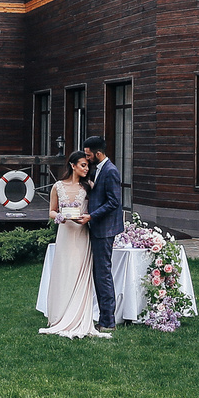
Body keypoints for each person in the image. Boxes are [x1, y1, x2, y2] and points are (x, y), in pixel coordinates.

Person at [38, 150, 108, 339]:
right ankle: (60, 315)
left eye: (88, 166)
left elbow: (97, 208)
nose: (86, 169)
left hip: (81, 234)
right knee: (63, 272)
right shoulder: (57, 186)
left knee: (79, 272)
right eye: (83, 165)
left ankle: (78, 316)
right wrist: (60, 217)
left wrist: (87, 217)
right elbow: (51, 211)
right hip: (64, 234)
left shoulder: (89, 186)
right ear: (72, 165)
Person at [81, 134, 123, 333]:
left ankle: (107, 321)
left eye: (88, 155)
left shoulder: (110, 171)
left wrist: (91, 216)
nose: (86, 158)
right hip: (98, 227)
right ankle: (104, 318)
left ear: (98, 154)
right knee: (100, 273)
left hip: (104, 230)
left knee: (103, 274)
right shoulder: (97, 170)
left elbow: (114, 202)